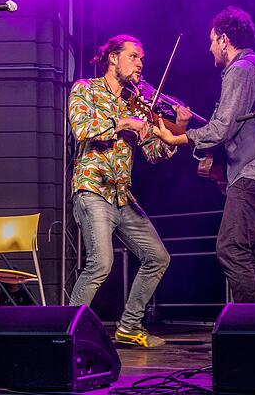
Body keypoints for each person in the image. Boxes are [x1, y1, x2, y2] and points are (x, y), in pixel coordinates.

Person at [154, 6, 255, 302]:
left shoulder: (241, 68)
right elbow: (234, 126)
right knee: (243, 251)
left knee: (231, 248)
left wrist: (178, 136)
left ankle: (253, 330)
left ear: (224, 39)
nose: (210, 47)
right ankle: (252, 327)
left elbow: (223, 127)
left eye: (211, 40)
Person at [67, 34, 191, 348]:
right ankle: (66, 331)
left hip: (123, 197)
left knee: (157, 257)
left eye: (141, 60)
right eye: (133, 57)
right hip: (92, 189)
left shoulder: (136, 104)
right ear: (113, 58)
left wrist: (175, 130)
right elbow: (83, 128)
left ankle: (129, 326)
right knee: (102, 262)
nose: (139, 65)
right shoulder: (86, 89)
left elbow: (154, 154)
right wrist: (126, 122)